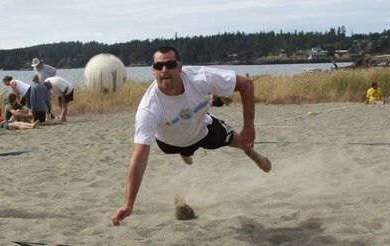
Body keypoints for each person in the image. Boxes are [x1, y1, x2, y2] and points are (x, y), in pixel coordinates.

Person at [111, 45, 272, 226]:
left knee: (235, 138)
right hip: (169, 143)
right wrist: (128, 204)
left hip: (201, 130)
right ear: (153, 71)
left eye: (170, 64)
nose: (164, 70)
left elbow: (246, 84)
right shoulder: (149, 108)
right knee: (182, 144)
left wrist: (249, 126)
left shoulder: (198, 77)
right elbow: (139, 157)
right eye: (158, 66)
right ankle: (186, 151)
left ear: (180, 67)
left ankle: (253, 154)